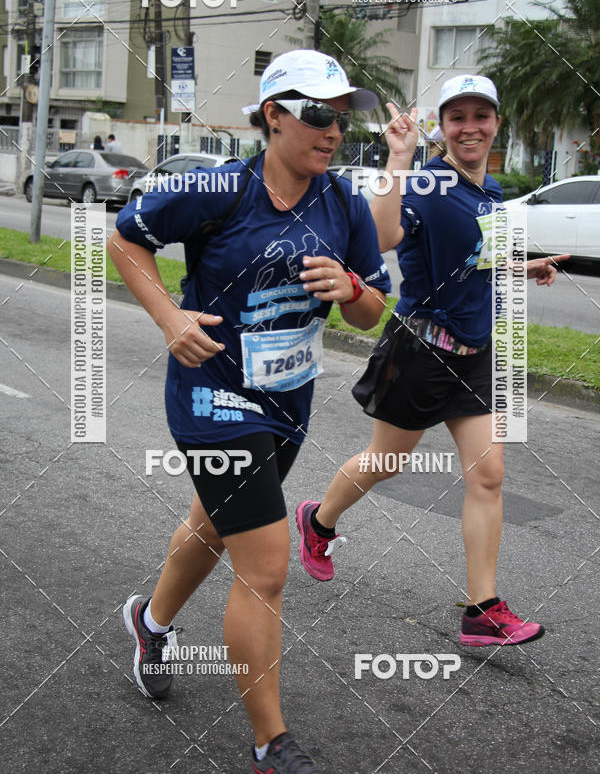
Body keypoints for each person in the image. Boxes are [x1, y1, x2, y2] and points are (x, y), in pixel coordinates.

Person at [107, 49, 392, 773]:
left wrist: (350, 286)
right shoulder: (215, 188)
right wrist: (170, 318)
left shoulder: (346, 203)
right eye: (319, 115)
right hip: (211, 398)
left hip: (287, 403)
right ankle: (272, 744)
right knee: (265, 566)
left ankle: (150, 622)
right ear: (273, 115)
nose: (334, 132)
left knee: (212, 530)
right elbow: (124, 239)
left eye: (342, 117)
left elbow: (372, 313)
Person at [296, 73, 569, 647]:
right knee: (386, 462)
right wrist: (399, 157)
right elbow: (380, 234)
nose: (470, 127)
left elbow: (477, 260)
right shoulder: (424, 181)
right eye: (457, 117)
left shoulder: (489, 190)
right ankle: (317, 521)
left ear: (496, 123)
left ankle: (482, 611)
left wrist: (525, 268)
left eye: (481, 116)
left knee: (488, 474)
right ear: (442, 128)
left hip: (475, 354)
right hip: (422, 351)